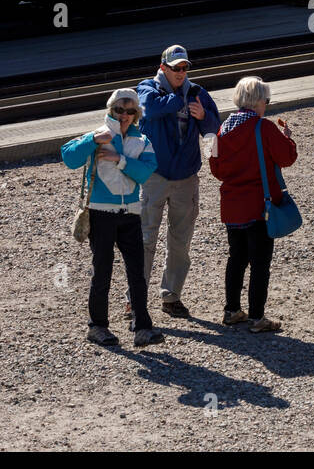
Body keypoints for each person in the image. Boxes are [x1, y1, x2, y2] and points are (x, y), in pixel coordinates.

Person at [60, 89, 164, 348]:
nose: (125, 116)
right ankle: (97, 326)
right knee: (102, 270)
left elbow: (146, 172)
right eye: (120, 110)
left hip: (130, 214)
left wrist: (120, 160)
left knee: (137, 272)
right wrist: (92, 140)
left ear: (136, 113)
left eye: (130, 111)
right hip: (101, 214)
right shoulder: (98, 135)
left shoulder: (142, 140)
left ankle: (142, 328)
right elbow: (68, 157)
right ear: (111, 110)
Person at [136, 45, 221, 318]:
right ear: (163, 68)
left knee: (180, 242)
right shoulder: (147, 88)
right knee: (145, 239)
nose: (182, 73)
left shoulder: (197, 93)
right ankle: (135, 298)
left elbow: (213, 129)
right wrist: (181, 100)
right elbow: (149, 109)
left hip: (186, 179)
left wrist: (203, 117)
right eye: (176, 68)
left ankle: (171, 296)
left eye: (185, 68)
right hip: (154, 177)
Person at [208, 76, 297, 333]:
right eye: (266, 100)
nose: (267, 105)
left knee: (236, 258)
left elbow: (217, 169)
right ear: (257, 101)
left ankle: (232, 310)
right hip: (259, 205)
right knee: (260, 262)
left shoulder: (224, 129)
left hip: (232, 205)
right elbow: (287, 158)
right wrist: (287, 138)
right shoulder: (263, 127)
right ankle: (257, 317)